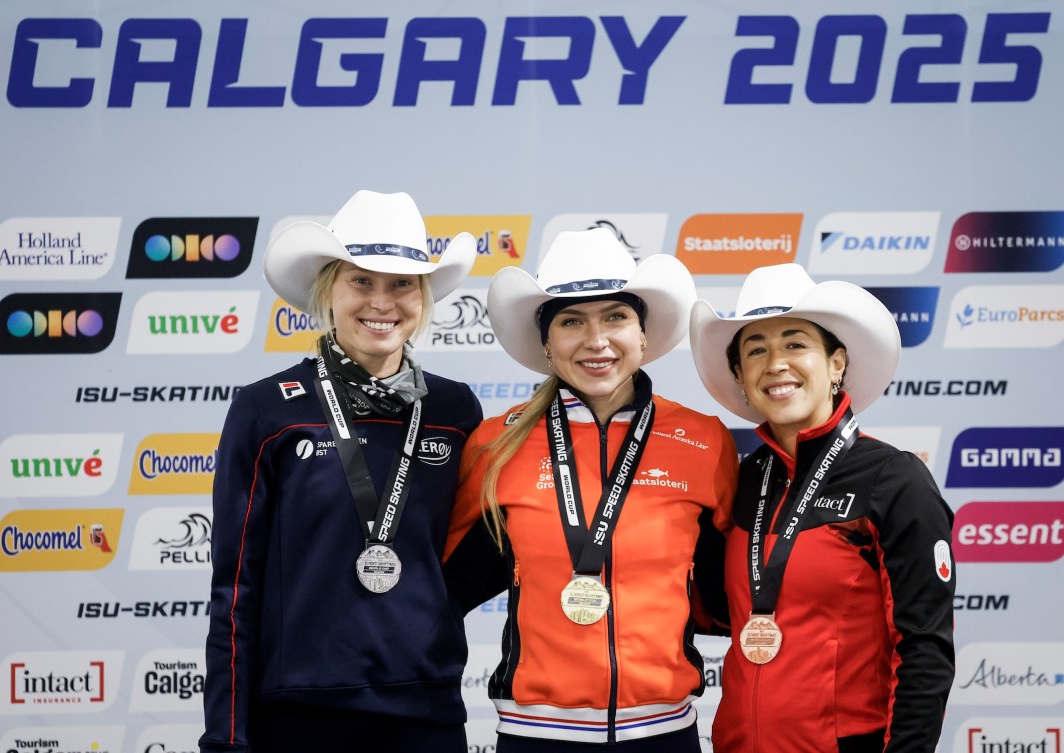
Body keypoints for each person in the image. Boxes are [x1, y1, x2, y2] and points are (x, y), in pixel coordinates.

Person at [200, 190, 483, 753]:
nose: (382, 301)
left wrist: (432, 613)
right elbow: (236, 585)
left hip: (426, 714)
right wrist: (227, 736)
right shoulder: (270, 408)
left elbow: (473, 552)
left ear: (422, 296)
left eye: (401, 283)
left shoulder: (455, 410)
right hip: (300, 715)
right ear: (328, 291)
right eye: (362, 281)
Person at [443, 228, 738, 752]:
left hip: (664, 731)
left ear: (643, 335)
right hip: (535, 734)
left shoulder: (701, 438)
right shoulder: (496, 442)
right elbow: (443, 590)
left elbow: (729, 587)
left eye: (615, 317)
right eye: (572, 321)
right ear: (547, 342)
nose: (596, 340)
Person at [688, 263, 955, 753]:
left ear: (837, 364)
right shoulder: (741, 481)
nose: (776, 363)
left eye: (795, 344)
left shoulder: (894, 480)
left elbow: (924, 652)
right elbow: (712, 612)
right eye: (756, 350)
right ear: (742, 377)